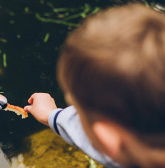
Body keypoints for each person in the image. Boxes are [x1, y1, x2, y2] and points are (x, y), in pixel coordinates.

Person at [24, 3, 165, 168]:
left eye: (77, 109)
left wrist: (53, 116)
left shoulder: (119, 153)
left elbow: (88, 136)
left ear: (107, 141)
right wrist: (52, 116)